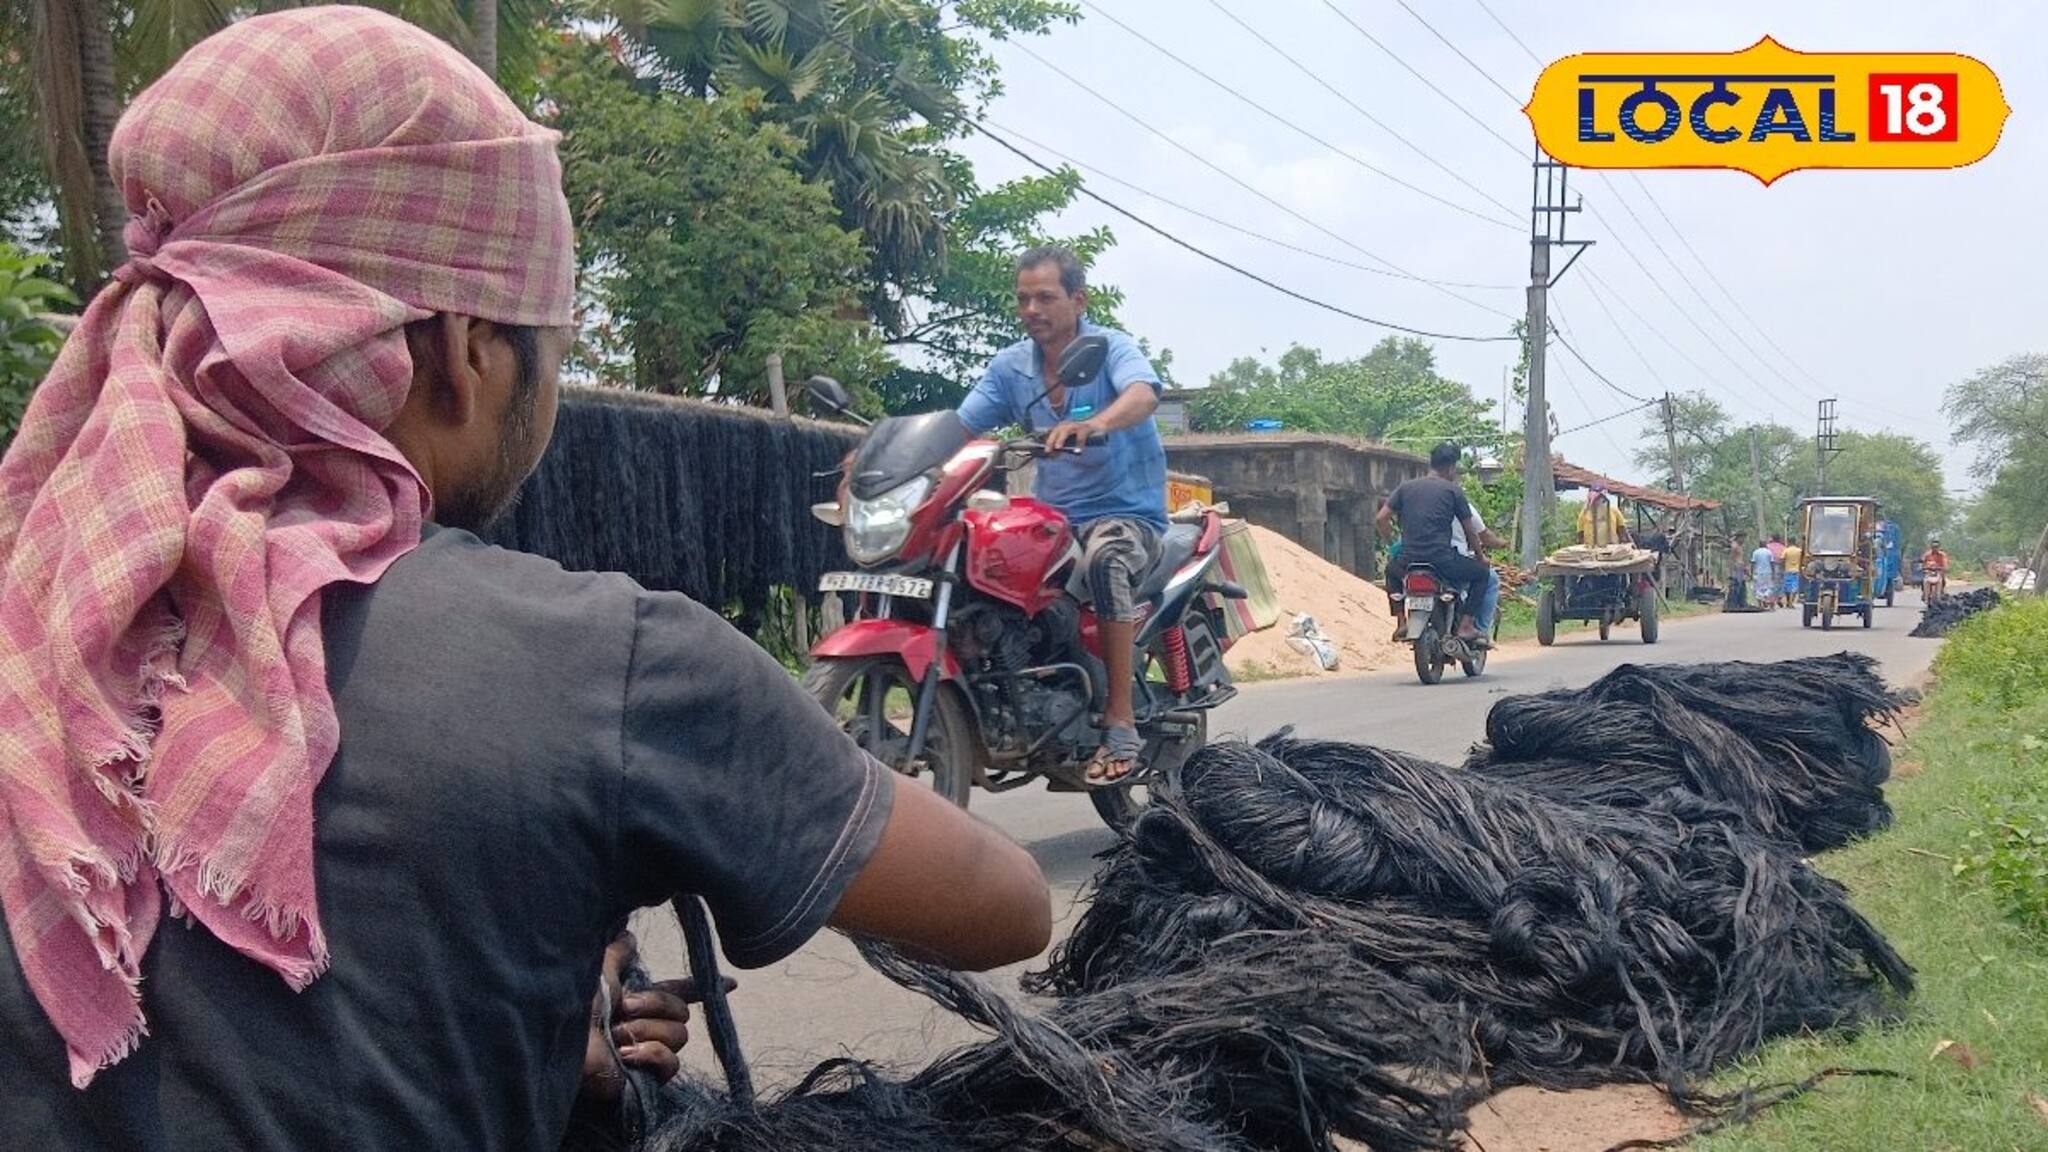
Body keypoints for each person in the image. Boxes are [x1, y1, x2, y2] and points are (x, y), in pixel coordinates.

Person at [0, 12, 1051, 1151]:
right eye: (546, 346)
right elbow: (1005, 908)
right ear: (459, 351)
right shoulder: (606, 665)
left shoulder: (36, 623)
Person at [958, 246, 1166, 784]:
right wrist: (880, 455)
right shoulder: (1011, 368)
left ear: (1078, 300)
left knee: (1106, 561)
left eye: (1045, 297)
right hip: (1055, 517)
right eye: (1023, 298)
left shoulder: (1109, 349)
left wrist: (1097, 424)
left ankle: (1120, 719)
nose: (1031, 308)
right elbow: (958, 427)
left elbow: (1143, 395)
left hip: (1126, 514)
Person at [1376, 442, 1494, 647]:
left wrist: (1393, 544)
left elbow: (1381, 519)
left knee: (1391, 570)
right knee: (1482, 575)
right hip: (1442, 561)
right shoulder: (1453, 491)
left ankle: (1402, 622)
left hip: (1409, 560)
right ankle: (1466, 625)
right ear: (1450, 467)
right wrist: (1480, 557)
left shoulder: (1405, 488)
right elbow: (1469, 529)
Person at [1752, 537, 1778, 609]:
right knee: (1769, 587)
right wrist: (1773, 572)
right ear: (1765, 545)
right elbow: (1772, 563)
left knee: (1758, 588)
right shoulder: (1769, 552)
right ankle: (1766, 596)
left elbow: (1753, 563)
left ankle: (1760, 604)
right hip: (1768, 572)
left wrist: (1752, 572)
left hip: (1758, 572)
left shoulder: (1755, 552)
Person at [1726, 531, 1750, 607]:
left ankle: (1741, 603)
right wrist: (1730, 570)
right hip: (1735, 568)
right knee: (1735, 586)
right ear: (1739, 537)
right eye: (1742, 538)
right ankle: (1733, 603)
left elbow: (1741, 558)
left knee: (1741, 586)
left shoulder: (1740, 546)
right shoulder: (1734, 546)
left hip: (1740, 568)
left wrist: (1745, 567)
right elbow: (1731, 558)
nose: (1743, 540)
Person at [1781, 535, 1805, 606]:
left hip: (1788, 570)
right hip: (1796, 570)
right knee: (1794, 586)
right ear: (1795, 542)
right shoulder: (1799, 551)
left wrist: (1783, 567)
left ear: (1789, 542)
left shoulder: (1786, 550)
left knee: (1787, 586)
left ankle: (1789, 602)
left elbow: (1782, 559)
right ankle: (1791, 602)